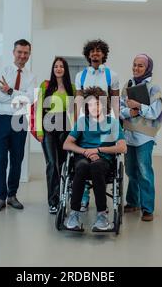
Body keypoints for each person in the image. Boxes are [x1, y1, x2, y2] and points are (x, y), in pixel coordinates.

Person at [63, 87, 127, 231]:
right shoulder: (82, 121)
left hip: (104, 160)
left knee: (96, 167)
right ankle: (74, 214)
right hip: (83, 158)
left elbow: (123, 148)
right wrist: (86, 151)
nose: (94, 107)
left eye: (97, 104)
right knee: (81, 167)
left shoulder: (113, 123)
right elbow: (67, 144)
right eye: (90, 104)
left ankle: (102, 216)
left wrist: (98, 150)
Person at [0, 39, 37, 212]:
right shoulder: (3, 71)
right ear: (13, 52)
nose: (22, 56)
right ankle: (0, 197)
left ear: (29, 54)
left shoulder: (31, 76)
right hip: (1, 119)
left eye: (26, 53)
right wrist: (19, 96)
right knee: (0, 159)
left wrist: (10, 91)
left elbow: (30, 99)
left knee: (17, 159)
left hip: (19, 120)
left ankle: (12, 195)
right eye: (19, 52)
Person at [75, 39, 120, 212]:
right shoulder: (81, 76)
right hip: (86, 119)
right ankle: (84, 199)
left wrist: (115, 122)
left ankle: (101, 195)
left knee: (100, 156)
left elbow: (115, 100)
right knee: (84, 156)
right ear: (88, 55)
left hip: (105, 120)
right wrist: (78, 121)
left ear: (103, 54)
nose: (95, 53)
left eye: (99, 51)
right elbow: (79, 100)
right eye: (92, 51)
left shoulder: (111, 75)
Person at [120, 54, 162, 221]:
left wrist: (138, 106)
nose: (136, 68)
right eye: (134, 65)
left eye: (140, 66)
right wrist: (129, 112)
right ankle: (133, 202)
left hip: (145, 137)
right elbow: (120, 108)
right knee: (131, 171)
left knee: (144, 171)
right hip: (128, 135)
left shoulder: (154, 88)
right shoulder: (127, 86)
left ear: (147, 69)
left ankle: (147, 208)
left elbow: (155, 112)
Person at [36, 57, 76, 214]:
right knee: (52, 164)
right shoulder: (45, 86)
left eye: (61, 66)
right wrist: (39, 131)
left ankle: (63, 196)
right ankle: (53, 201)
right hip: (48, 128)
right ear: (52, 69)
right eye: (56, 66)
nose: (58, 69)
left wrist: (75, 132)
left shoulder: (71, 87)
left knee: (63, 164)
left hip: (65, 127)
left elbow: (74, 112)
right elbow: (39, 109)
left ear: (65, 69)